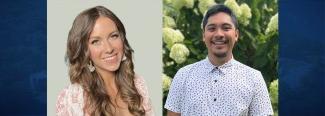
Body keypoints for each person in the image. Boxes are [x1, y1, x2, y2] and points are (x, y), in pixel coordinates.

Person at [164, 4, 273, 116]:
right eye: (212, 28)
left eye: (226, 28)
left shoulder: (254, 78)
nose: (219, 34)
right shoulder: (183, 76)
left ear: (236, 35)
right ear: (203, 35)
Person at [56, 6, 153, 116]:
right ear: (83, 50)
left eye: (113, 36)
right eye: (96, 41)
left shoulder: (138, 84)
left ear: (122, 38)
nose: (109, 48)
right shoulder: (72, 98)